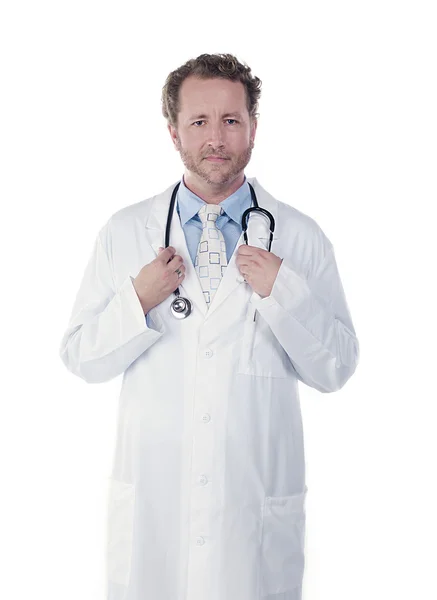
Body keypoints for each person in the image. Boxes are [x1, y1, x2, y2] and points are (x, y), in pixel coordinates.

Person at [59, 53, 359, 600]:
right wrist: (138, 299)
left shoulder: (300, 236)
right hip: (157, 519)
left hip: (253, 525)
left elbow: (337, 366)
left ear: (253, 128)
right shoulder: (126, 232)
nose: (215, 137)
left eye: (231, 121)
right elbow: (81, 355)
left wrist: (283, 293)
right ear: (174, 132)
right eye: (199, 122)